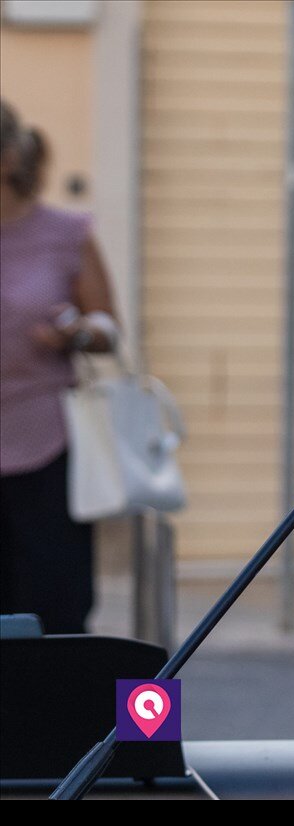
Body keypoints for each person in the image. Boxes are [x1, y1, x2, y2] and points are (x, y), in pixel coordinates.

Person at [0, 99, 120, 634]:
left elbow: (108, 327)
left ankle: (73, 719)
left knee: (57, 610)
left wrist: (76, 333)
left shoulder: (65, 233)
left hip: (46, 448)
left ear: (8, 157)